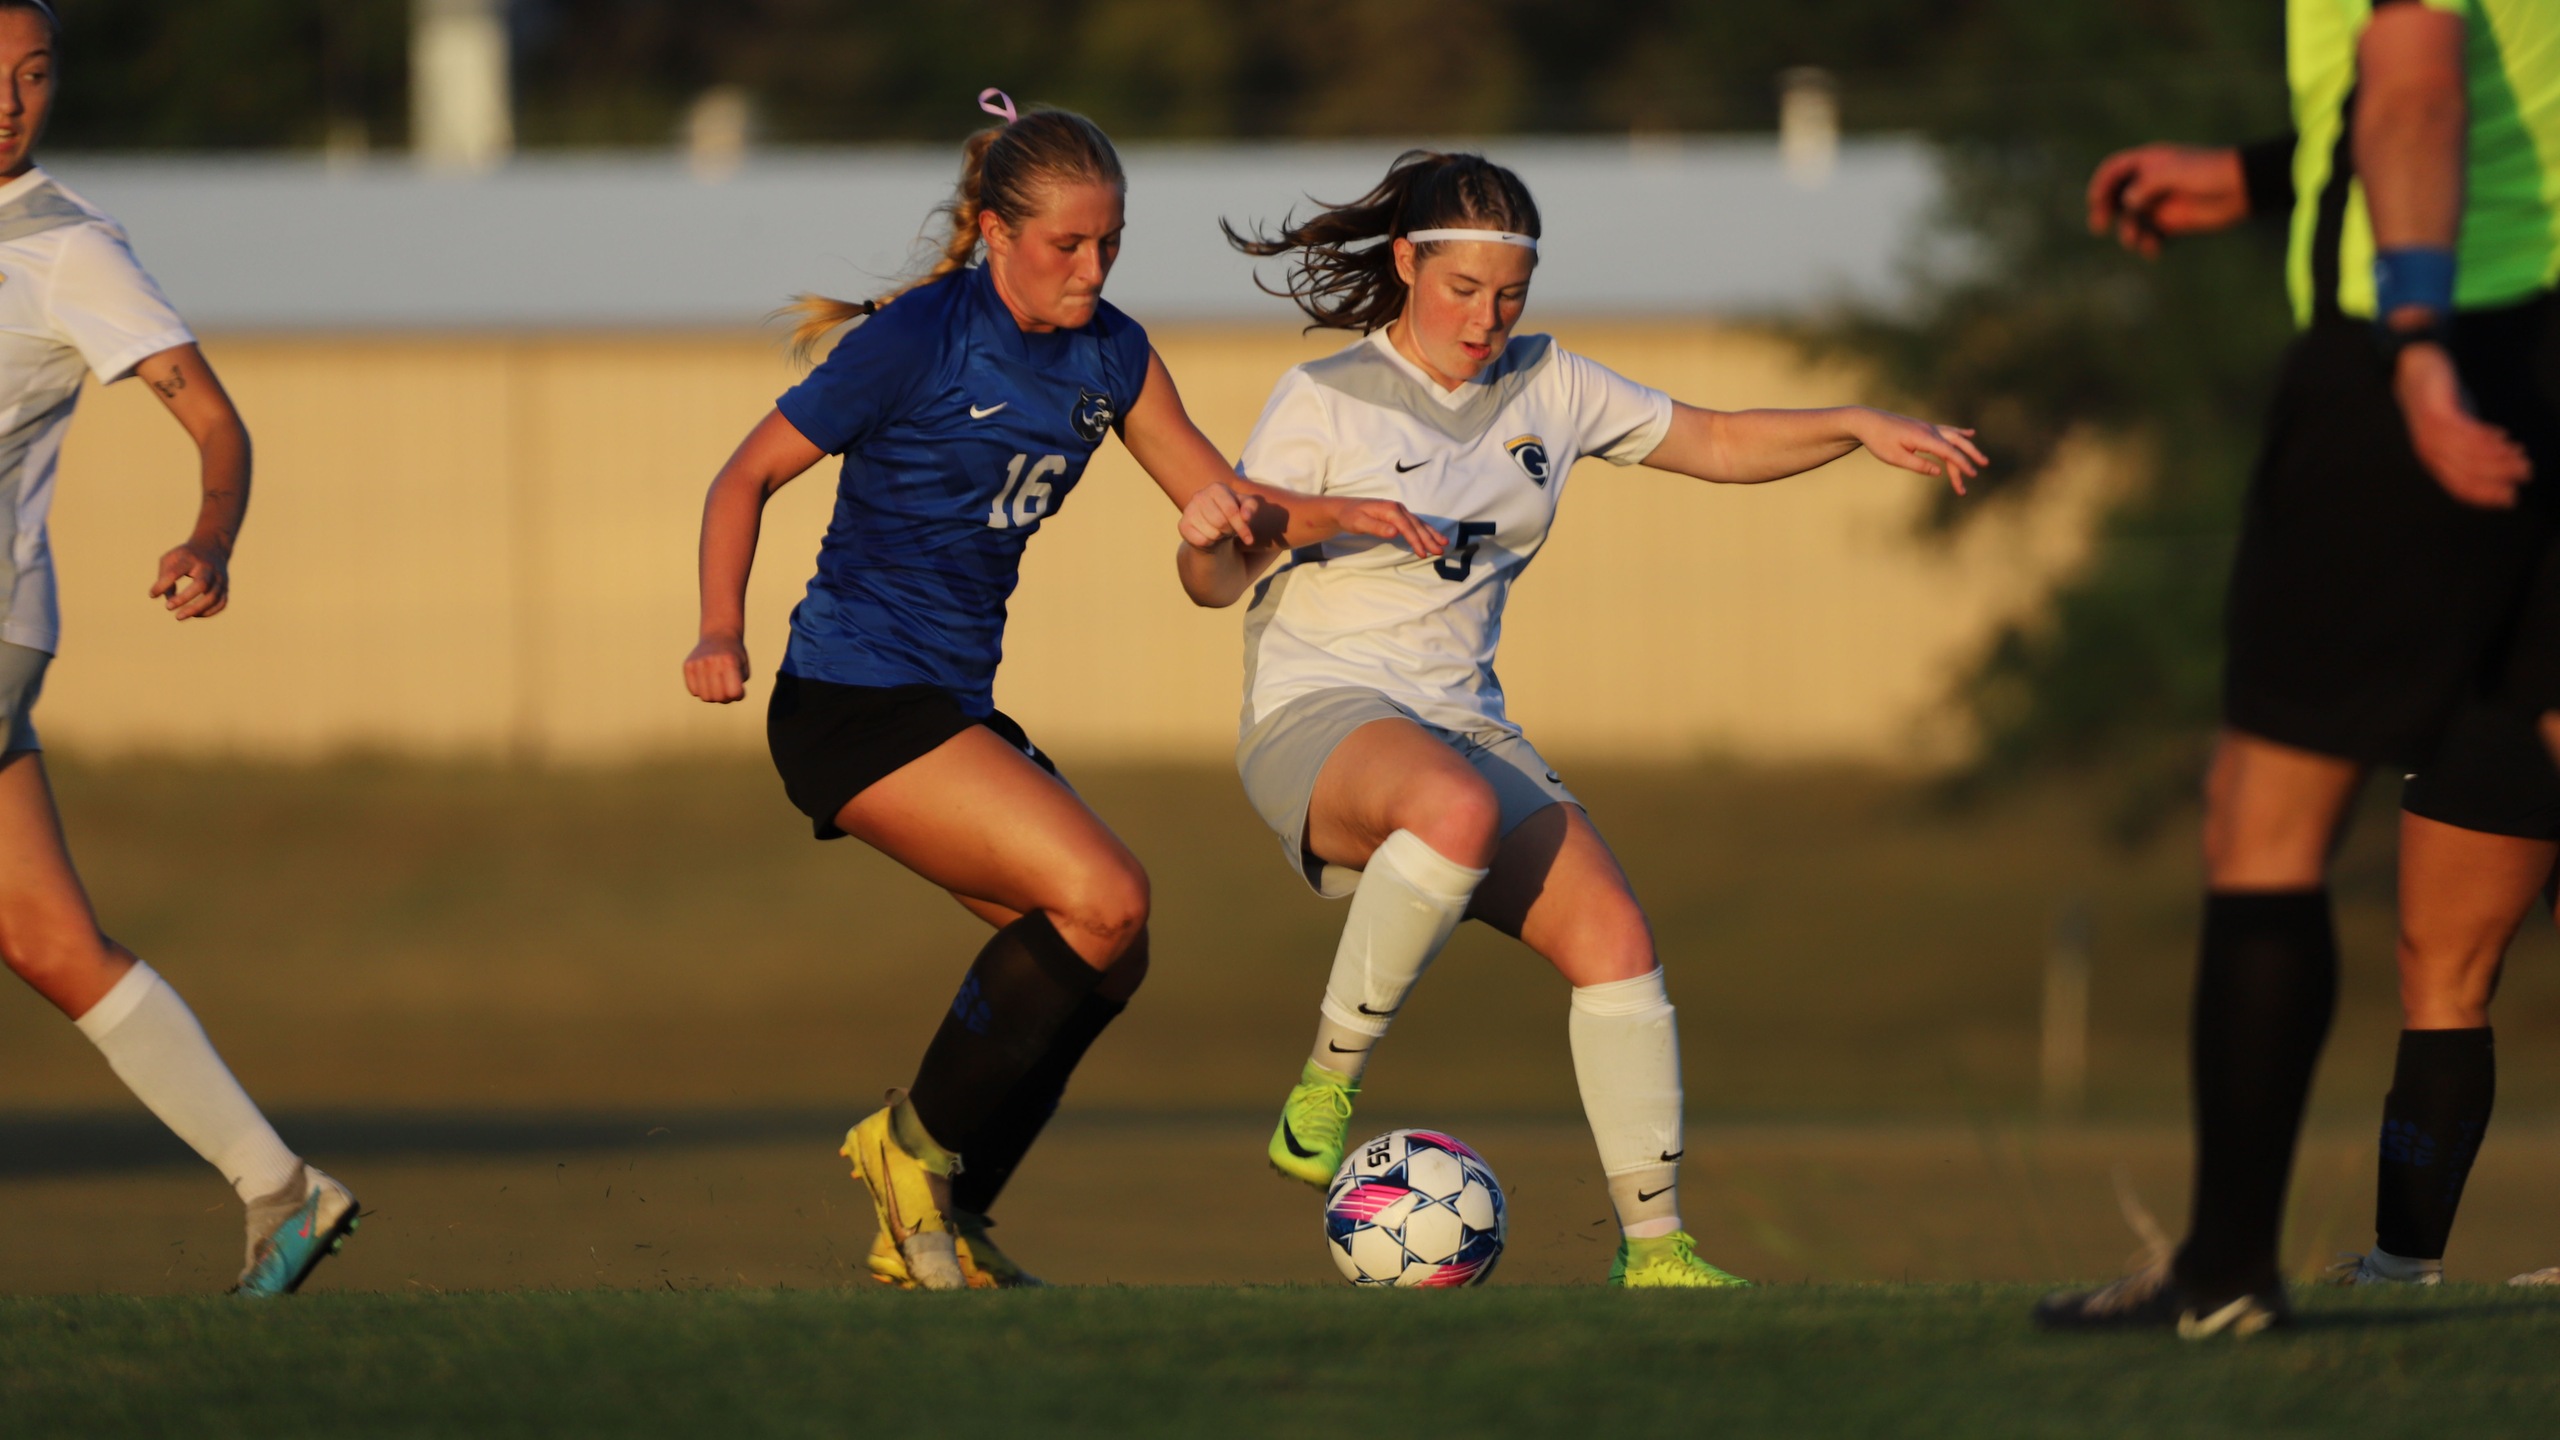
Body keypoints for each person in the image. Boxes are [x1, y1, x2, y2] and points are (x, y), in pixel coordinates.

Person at [1178, 150, 1983, 1288]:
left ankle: (1656, 1255)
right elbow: (1211, 583)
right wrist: (1254, 524)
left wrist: (1854, 422)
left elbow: (1714, 439)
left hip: (1463, 722)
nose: (1485, 318)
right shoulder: (1324, 399)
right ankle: (1325, 1084)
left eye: (1508, 295)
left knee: (1615, 944)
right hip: (1318, 711)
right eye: (1461, 290)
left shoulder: (1551, 384)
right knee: (1452, 811)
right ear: (1406, 263)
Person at [682, 92, 1441, 1291]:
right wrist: (718, 629)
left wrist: (1342, 514)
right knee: (1105, 895)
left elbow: (1220, 495)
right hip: (848, 700)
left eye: (1111, 244)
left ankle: (946, 1219)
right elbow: (742, 479)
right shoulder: (917, 338)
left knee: (1110, 949)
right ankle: (905, 1153)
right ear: (993, 233)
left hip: (948, 708)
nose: (1092, 269)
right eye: (1067, 246)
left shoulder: (1112, 352)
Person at [2044, 0, 2560, 1333]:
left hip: (2446, 351)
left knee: (2266, 825)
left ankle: (2224, 1272)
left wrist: (2419, 343)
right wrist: (2263, 175)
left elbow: (2415, 95)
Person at [0, 0, 356, 1296]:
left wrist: (210, 539)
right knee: (49, 943)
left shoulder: (66, 250)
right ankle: (280, 1186)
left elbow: (214, 423)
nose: (11, 100)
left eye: (33, 75)